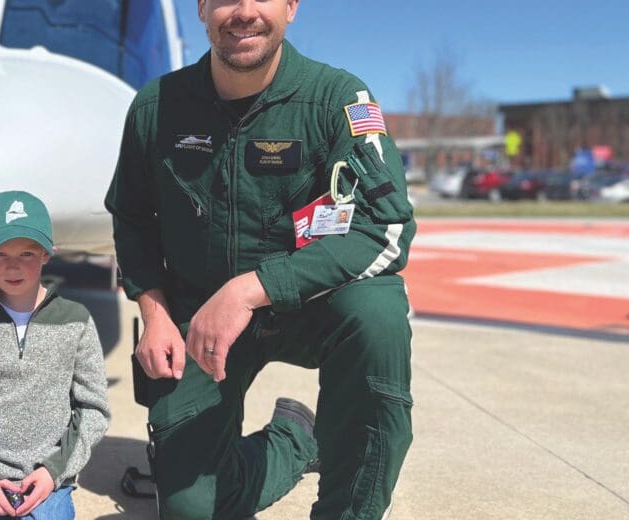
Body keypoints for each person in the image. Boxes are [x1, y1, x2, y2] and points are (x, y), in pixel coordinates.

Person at [104, 0, 416, 518]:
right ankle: (293, 440)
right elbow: (132, 219)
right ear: (202, 9)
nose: (244, 11)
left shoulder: (338, 100)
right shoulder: (157, 106)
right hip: (200, 318)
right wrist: (154, 316)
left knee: (377, 317)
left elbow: (385, 226)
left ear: (292, 6)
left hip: (311, 306)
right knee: (194, 508)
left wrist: (250, 288)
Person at [0, 191, 110, 519]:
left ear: (46, 253)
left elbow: (93, 409)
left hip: (46, 481)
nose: (13, 265)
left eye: (27, 253)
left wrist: (54, 472)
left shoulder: (77, 320)